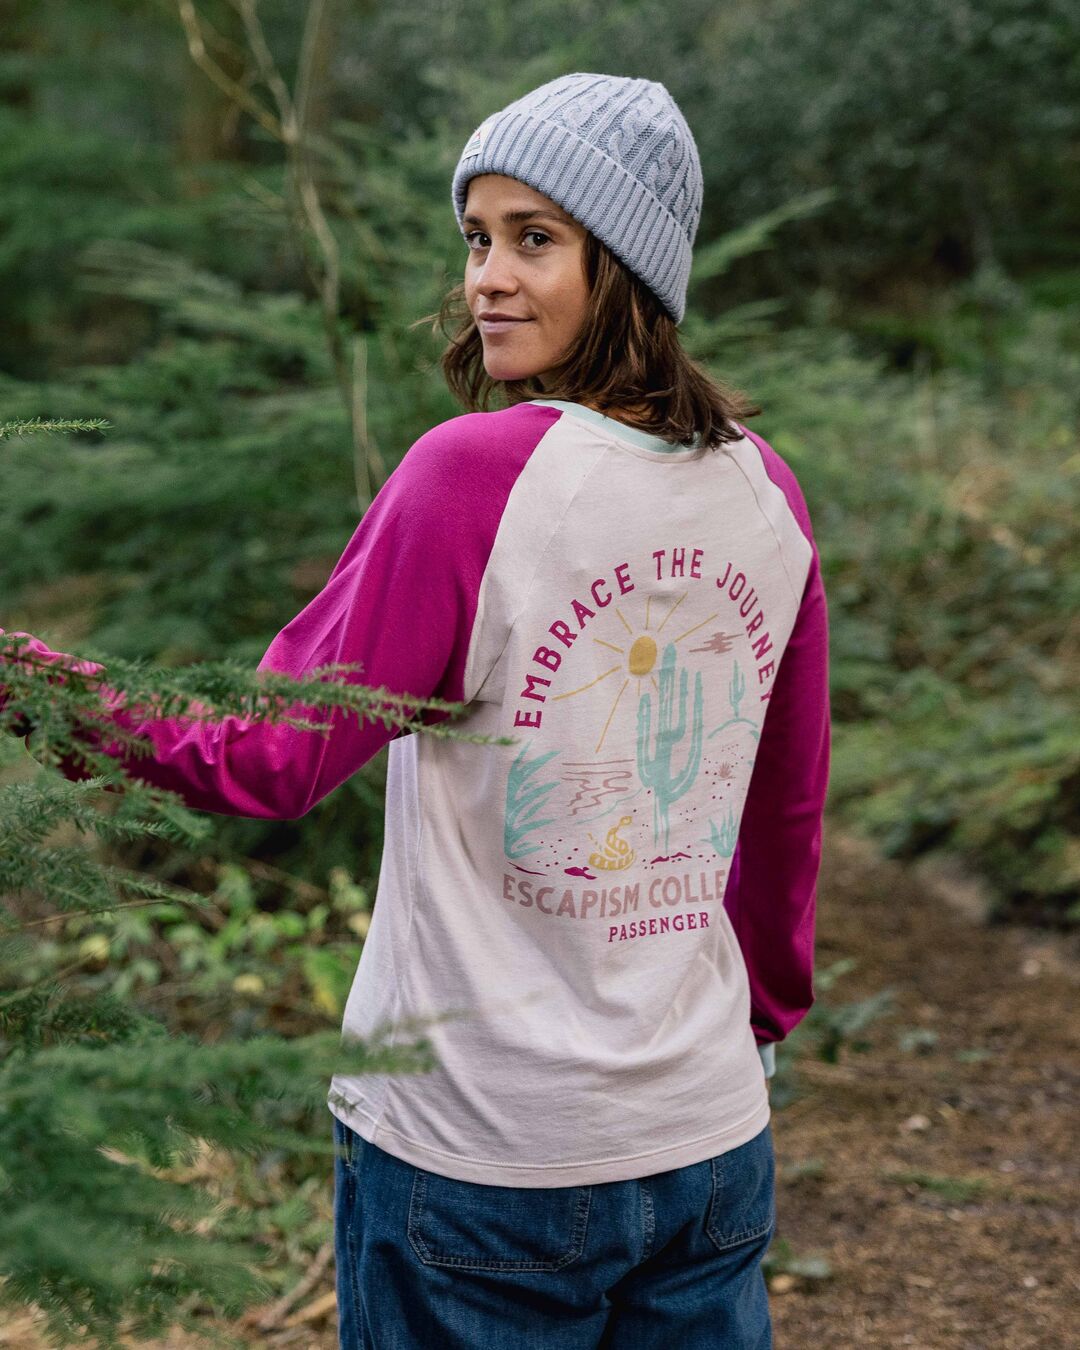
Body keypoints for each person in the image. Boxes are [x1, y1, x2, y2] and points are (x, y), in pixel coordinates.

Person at [1, 72, 830, 1350]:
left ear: (627, 268)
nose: (488, 277)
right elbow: (783, 804)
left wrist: (28, 680)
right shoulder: (764, 489)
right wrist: (761, 1017)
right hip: (707, 1139)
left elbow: (264, 754)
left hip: (481, 1158)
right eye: (478, 238)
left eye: (535, 239)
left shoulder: (473, 477)